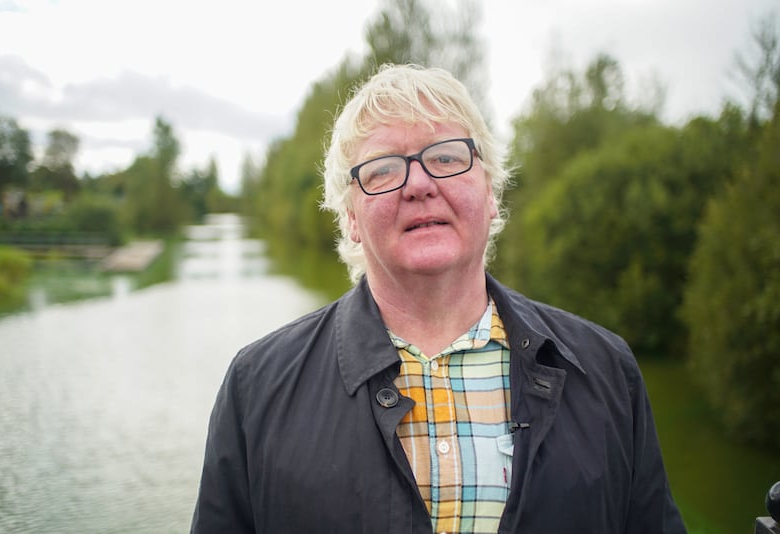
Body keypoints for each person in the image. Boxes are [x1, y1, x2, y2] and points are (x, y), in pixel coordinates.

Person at [191, 64, 686, 534]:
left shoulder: (606, 371)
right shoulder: (256, 388)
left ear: (490, 192)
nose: (421, 185)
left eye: (447, 157)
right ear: (350, 219)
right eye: (383, 170)